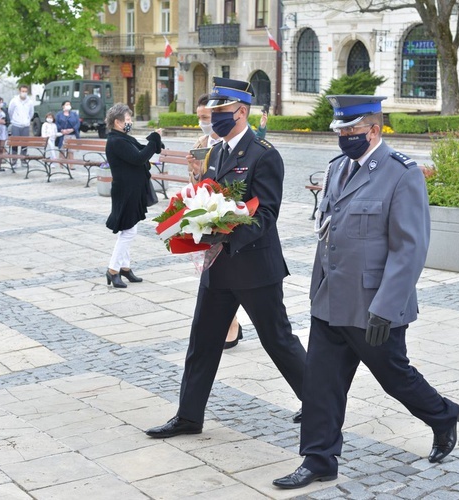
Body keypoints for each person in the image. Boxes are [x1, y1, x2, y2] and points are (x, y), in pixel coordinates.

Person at [273, 95, 459, 490]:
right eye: (340, 131)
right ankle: (318, 459)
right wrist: (317, 290)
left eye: (351, 131)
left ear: (373, 130)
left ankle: (443, 415)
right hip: (330, 301)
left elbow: (409, 248)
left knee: (396, 378)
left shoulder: (401, 174)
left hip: (373, 306)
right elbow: (328, 233)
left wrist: (386, 308)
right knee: (320, 385)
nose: (343, 137)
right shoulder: (338, 167)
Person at [145, 77, 307, 439]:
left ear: (241, 112)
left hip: (254, 267)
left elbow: (265, 215)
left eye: (221, 112)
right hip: (217, 267)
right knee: (202, 341)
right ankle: (188, 416)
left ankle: (319, 401)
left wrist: (225, 232)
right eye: (213, 113)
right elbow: (208, 198)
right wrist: (194, 225)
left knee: (278, 339)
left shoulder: (265, 154)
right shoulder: (215, 152)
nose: (215, 119)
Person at [187, 93, 244, 350]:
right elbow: (197, 187)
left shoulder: (236, 144)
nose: (205, 122)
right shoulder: (202, 142)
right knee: (216, 282)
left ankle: (232, 326)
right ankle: (227, 327)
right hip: (209, 226)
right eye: (201, 117)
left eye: (207, 117)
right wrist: (197, 175)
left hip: (233, 229)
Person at [104, 104, 163, 288]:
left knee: (129, 229)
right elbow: (139, 158)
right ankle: (113, 270)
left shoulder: (123, 138)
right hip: (125, 190)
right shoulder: (116, 141)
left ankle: (125, 268)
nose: (130, 123)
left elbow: (143, 150)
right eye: (128, 120)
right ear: (117, 122)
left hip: (131, 189)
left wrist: (155, 140)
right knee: (128, 231)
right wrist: (155, 139)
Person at [8, 84, 34, 165]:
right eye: (23, 91)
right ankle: (14, 160)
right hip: (16, 125)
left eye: (26, 91)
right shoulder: (14, 101)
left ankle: (23, 159)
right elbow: (10, 111)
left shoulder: (30, 102)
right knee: (15, 144)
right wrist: (15, 120)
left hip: (25, 125)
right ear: (19, 91)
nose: (24, 93)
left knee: (24, 144)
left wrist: (27, 120)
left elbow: (31, 113)